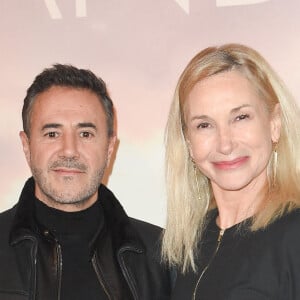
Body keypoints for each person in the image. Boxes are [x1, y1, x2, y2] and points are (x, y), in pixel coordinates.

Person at [0, 64, 171, 300]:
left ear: (110, 148)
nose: (69, 151)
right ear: (26, 146)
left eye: (85, 134)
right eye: (52, 134)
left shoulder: (162, 259)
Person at [162, 43, 300, 299]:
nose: (225, 144)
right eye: (204, 125)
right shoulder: (190, 242)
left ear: (274, 124)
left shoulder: (294, 233)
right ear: (188, 142)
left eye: (241, 117)